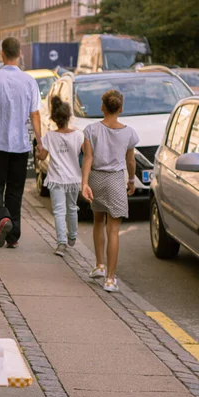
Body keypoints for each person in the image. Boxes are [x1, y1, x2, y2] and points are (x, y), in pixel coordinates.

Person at [0, 37, 42, 248]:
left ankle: (2, 218)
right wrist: (40, 142)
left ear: (2, 54)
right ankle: (13, 237)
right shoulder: (29, 81)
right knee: (15, 190)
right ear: (19, 54)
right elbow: (35, 114)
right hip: (20, 145)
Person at [81, 89, 138, 292]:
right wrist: (131, 180)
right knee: (113, 229)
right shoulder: (129, 133)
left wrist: (84, 183)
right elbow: (130, 160)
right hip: (115, 180)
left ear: (102, 107)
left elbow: (87, 158)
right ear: (121, 108)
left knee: (98, 221)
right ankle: (111, 280)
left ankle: (99, 265)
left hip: (96, 178)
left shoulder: (91, 130)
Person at [36, 96, 84, 257]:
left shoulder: (50, 136)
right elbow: (86, 153)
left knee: (58, 211)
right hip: (73, 179)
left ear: (54, 119)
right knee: (72, 208)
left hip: (56, 178)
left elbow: (42, 157)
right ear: (69, 117)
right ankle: (73, 236)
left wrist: (38, 150)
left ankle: (61, 243)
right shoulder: (78, 135)